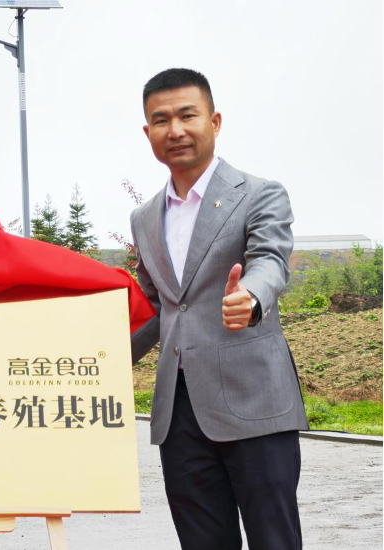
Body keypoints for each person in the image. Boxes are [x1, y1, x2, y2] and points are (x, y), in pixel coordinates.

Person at [130, 68, 309, 549]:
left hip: (255, 400)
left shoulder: (259, 193)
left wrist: (250, 295)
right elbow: (156, 305)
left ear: (214, 121)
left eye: (187, 115)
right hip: (179, 412)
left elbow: (270, 260)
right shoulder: (144, 217)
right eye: (161, 120)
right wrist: (96, 361)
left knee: (274, 539)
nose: (175, 130)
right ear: (148, 132)